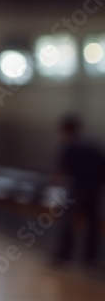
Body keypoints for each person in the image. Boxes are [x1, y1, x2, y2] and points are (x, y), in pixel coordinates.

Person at [52, 113, 104, 266]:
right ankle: (90, 258)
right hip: (95, 189)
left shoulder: (68, 146)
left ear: (66, 130)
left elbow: (59, 172)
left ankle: (64, 254)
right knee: (92, 223)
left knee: (68, 221)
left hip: (77, 189)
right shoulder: (94, 145)